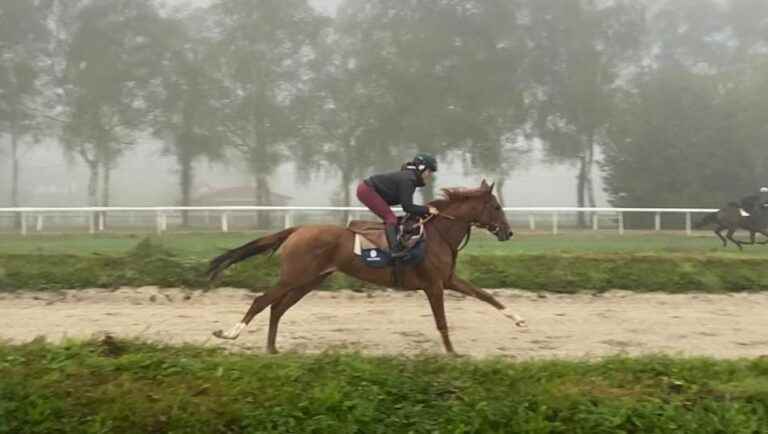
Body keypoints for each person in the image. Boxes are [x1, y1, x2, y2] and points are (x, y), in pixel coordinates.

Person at [356, 153, 439, 258]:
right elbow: (407, 207)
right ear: (421, 168)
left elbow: (408, 207)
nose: (430, 175)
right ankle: (395, 250)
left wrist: (423, 211)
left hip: (369, 189)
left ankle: (393, 242)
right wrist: (427, 209)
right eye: (429, 171)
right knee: (391, 219)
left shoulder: (410, 177)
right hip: (367, 190)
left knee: (395, 218)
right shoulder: (408, 179)